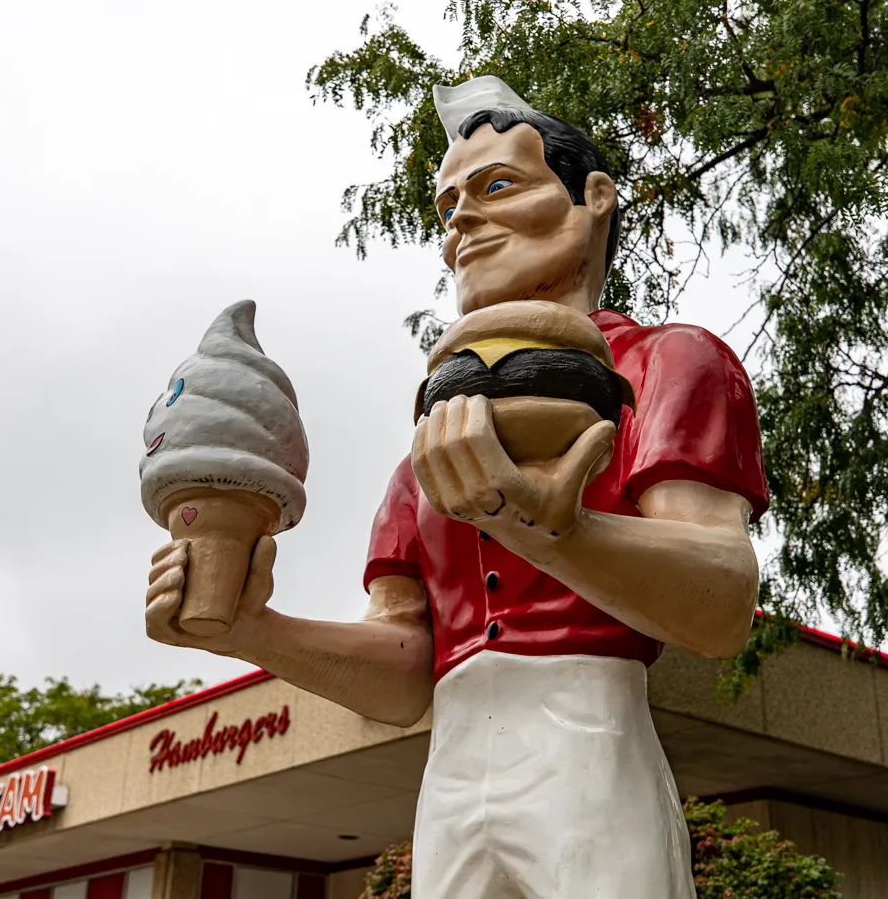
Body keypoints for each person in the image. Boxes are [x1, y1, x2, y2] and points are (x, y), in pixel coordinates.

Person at [146, 76, 768, 899]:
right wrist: (253, 628)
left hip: (589, 742)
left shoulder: (666, 362)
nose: (461, 223)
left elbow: (721, 600)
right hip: (453, 772)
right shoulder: (425, 449)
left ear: (595, 197)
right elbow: (408, 674)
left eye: (497, 186)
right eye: (446, 208)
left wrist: (560, 531)